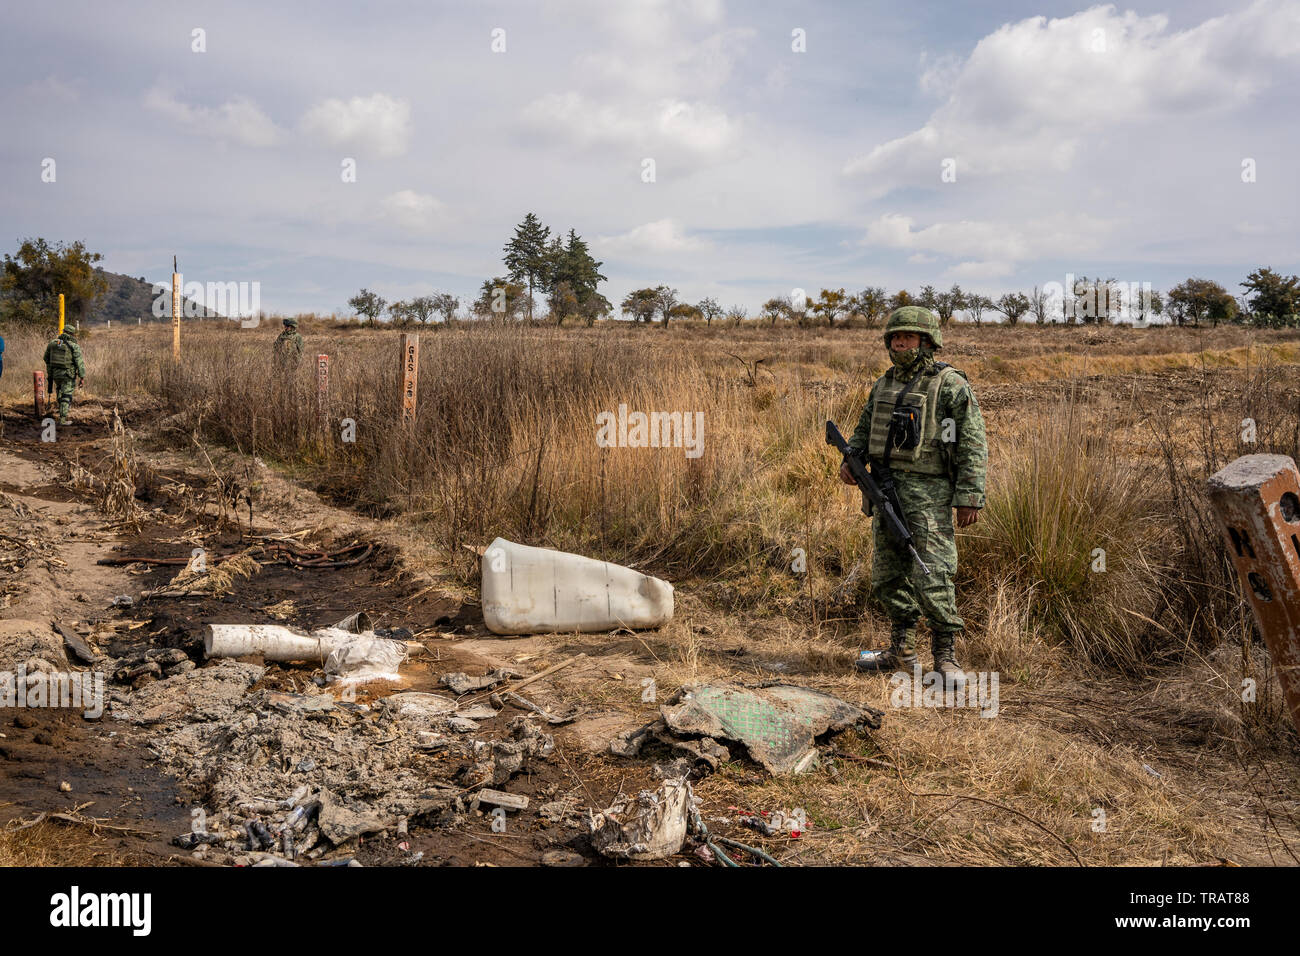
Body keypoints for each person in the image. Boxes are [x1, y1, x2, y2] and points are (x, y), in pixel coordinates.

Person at [841, 305, 987, 684]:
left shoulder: (951, 385)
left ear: (927, 341)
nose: (899, 342)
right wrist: (851, 461)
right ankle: (900, 650)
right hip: (885, 488)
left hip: (930, 494)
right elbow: (863, 428)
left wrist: (969, 494)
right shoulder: (884, 383)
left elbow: (972, 442)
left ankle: (946, 657)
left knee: (932, 573)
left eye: (907, 336)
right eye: (894, 336)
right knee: (887, 576)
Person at [42, 328, 86, 426]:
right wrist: (82, 377)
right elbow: (80, 363)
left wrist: (52, 370)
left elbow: (46, 358)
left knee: (59, 391)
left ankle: (61, 410)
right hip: (68, 375)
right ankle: (62, 419)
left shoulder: (53, 343)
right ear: (72, 334)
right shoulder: (74, 346)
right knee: (67, 395)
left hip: (55, 374)